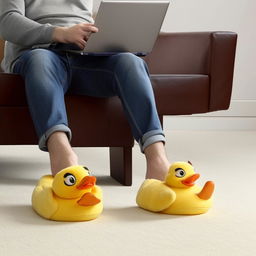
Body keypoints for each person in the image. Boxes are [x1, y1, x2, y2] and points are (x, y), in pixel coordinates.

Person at [0, 0, 170, 180]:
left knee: (132, 62)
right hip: (38, 52)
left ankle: (157, 158)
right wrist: (59, 33)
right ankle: (61, 152)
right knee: (41, 60)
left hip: (84, 56)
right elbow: (6, 21)